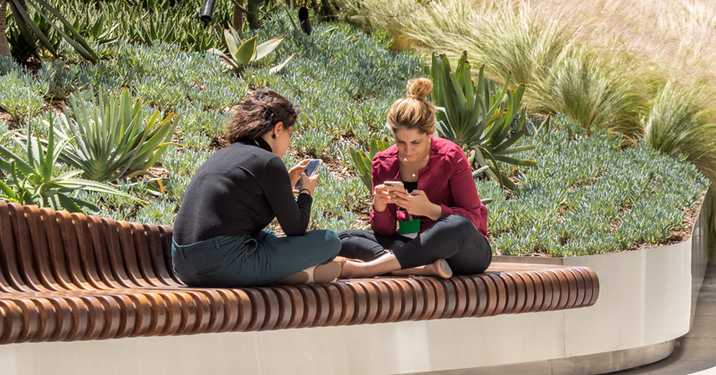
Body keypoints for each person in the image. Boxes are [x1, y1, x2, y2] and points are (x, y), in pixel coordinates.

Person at [172, 90, 342, 287]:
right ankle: (287, 273)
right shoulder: (269, 162)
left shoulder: (224, 154)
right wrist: (306, 192)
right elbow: (296, 228)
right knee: (330, 241)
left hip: (182, 265)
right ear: (278, 129)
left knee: (266, 237)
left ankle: (287, 273)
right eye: (290, 134)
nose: (289, 143)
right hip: (220, 263)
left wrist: (284, 186)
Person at [338, 78, 492, 279]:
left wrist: (429, 209)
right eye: (400, 141)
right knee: (341, 238)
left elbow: (472, 220)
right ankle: (417, 268)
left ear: (430, 132)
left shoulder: (450, 157)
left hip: (460, 251)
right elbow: (384, 231)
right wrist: (380, 207)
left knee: (457, 225)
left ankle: (369, 269)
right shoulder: (383, 163)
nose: (408, 150)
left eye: (416, 142)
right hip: (410, 243)